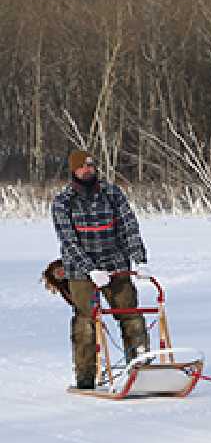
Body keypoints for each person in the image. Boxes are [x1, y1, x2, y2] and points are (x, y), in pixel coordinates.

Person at [51, 150, 151, 390]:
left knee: (132, 316)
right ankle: (85, 378)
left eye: (91, 166)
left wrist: (140, 259)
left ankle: (142, 371)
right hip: (80, 269)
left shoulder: (112, 193)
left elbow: (129, 225)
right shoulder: (63, 202)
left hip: (116, 264)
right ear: (74, 171)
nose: (88, 170)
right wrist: (90, 270)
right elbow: (68, 241)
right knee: (86, 322)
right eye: (83, 167)